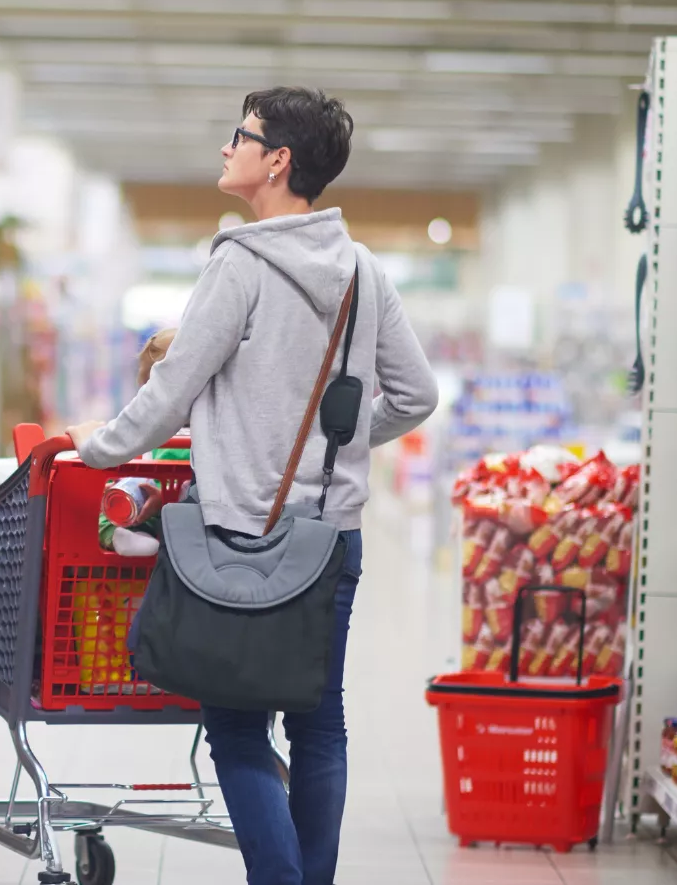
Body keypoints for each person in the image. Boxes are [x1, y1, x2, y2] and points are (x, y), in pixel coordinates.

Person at [66, 86, 438, 885]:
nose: (225, 147)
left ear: (278, 161)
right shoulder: (364, 272)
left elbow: (171, 392)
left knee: (237, 729)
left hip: (237, 534)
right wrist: (337, 448)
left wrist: (94, 448)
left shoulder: (239, 263)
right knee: (319, 724)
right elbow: (416, 396)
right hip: (330, 538)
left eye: (240, 135)